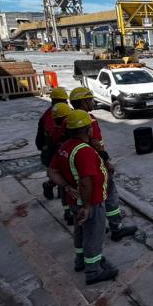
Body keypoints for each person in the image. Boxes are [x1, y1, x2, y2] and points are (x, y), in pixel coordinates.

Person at [47, 109, 118, 284]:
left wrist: (66, 186)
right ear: (87, 129)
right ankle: (93, 271)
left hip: (74, 201)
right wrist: (87, 207)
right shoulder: (83, 151)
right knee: (93, 235)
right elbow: (86, 182)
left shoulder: (65, 147)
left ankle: (81, 260)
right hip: (90, 203)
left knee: (80, 231)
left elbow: (51, 171)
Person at [69, 87, 138, 241]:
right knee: (110, 195)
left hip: (85, 166)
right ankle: (116, 228)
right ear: (83, 102)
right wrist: (107, 161)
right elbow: (95, 143)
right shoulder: (88, 120)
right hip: (96, 164)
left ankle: (98, 224)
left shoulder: (71, 118)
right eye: (90, 99)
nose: (93, 102)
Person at [37, 87, 69, 200]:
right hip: (54, 150)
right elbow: (55, 136)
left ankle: (52, 186)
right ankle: (65, 205)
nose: (66, 103)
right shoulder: (52, 116)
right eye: (64, 101)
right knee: (62, 176)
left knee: (62, 175)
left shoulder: (54, 113)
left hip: (55, 149)